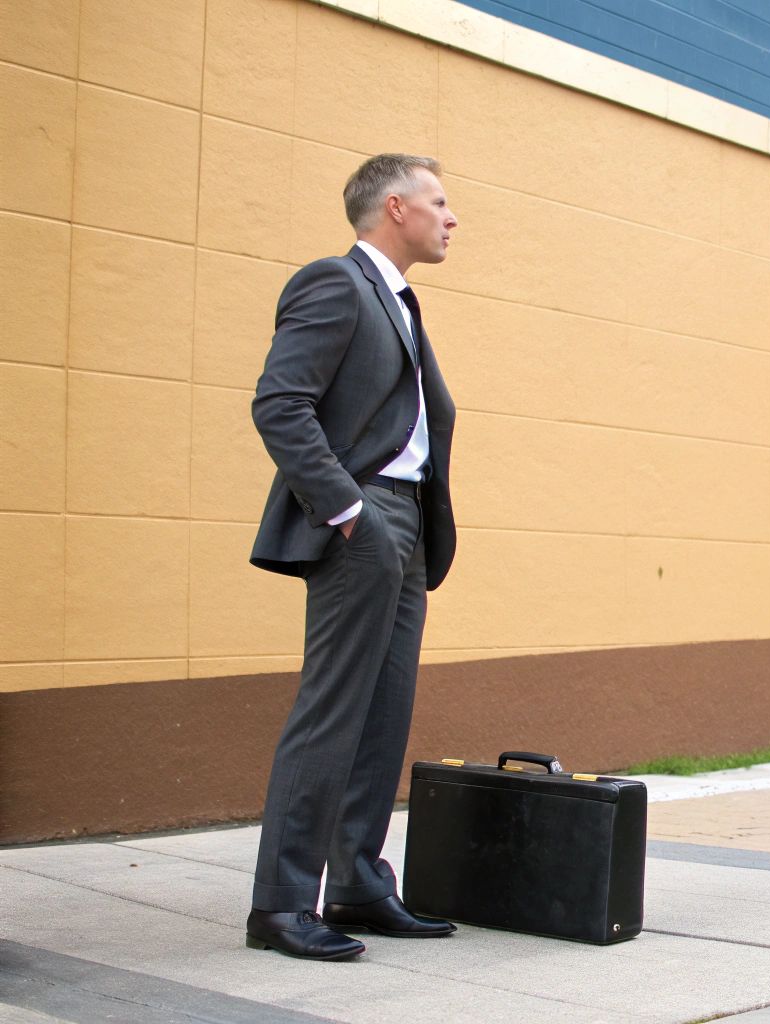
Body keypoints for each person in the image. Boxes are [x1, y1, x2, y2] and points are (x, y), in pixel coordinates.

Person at [244, 154, 460, 960]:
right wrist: (347, 513)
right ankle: (281, 904)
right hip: (361, 519)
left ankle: (360, 885)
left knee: (383, 714)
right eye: (439, 202)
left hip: (406, 528)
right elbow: (280, 401)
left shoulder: (400, 302)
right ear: (395, 208)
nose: (451, 216)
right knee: (332, 713)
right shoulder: (336, 283)